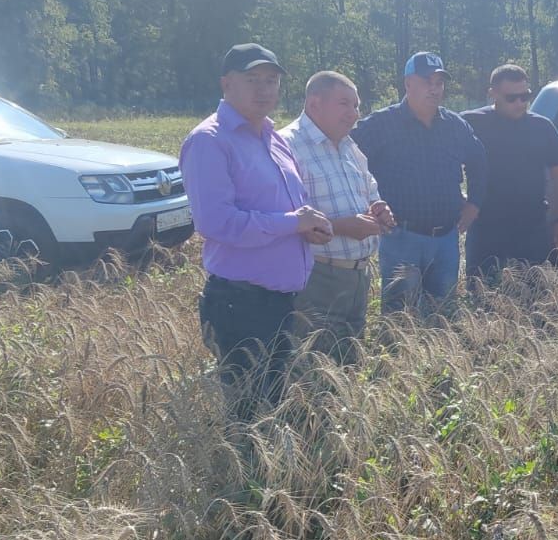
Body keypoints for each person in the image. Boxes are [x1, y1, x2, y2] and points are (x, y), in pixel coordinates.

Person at [182, 43, 334, 422]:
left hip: (280, 302)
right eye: (252, 79)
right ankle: (245, 481)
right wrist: (293, 222)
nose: (264, 88)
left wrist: (307, 230)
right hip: (241, 305)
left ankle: (266, 479)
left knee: (273, 406)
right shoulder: (209, 141)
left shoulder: (273, 138)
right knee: (249, 415)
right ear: (226, 84)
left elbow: (286, 210)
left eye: (272, 80)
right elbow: (218, 223)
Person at [351, 51, 488, 314]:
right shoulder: (382, 123)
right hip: (401, 237)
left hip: (446, 238)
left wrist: (474, 204)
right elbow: (347, 157)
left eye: (439, 83)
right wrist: (367, 203)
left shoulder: (454, 125)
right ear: (408, 84)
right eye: (427, 81)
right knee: (400, 318)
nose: (434, 89)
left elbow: (479, 162)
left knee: (444, 314)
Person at [279, 71, 397, 364]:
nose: (354, 113)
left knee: (348, 363)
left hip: (357, 276)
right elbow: (284, 220)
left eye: (356, 106)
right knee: (313, 368)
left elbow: (370, 190)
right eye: (345, 104)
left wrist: (380, 208)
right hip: (317, 278)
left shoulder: (349, 146)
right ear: (315, 103)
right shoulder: (286, 146)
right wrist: (345, 227)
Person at [461, 64, 558, 279]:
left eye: (525, 96)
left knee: (533, 298)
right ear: (492, 94)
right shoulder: (470, 122)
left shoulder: (542, 127)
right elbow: (444, 161)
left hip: (532, 227)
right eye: (512, 98)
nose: (520, 103)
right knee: (481, 296)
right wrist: (460, 201)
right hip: (486, 228)